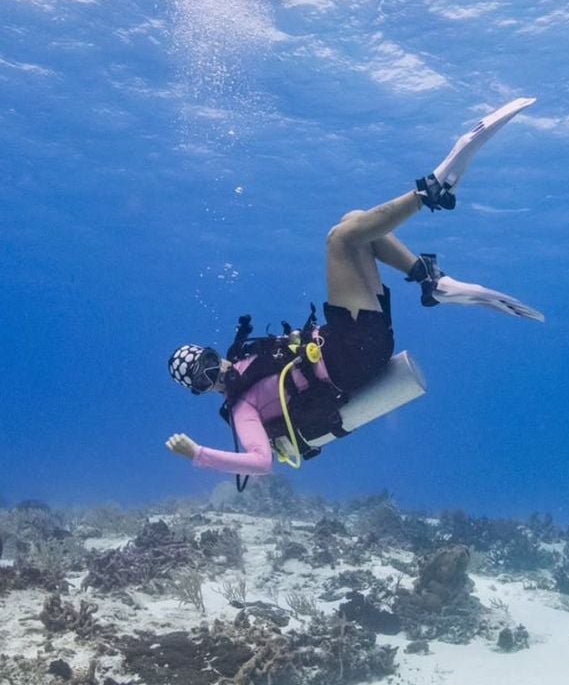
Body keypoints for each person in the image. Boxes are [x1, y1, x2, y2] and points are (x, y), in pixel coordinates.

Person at [166, 98, 544, 477]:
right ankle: (430, 191)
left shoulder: (247, 359)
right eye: (203, 377)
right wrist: (198, 454)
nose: (214, 372)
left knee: (354, 221)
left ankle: (432, 282)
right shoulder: (241, 409)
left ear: (215, 352)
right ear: (201, 390)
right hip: (351, 357)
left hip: (351, 344)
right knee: (340, 239)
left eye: (209, 361)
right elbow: (261, 463)